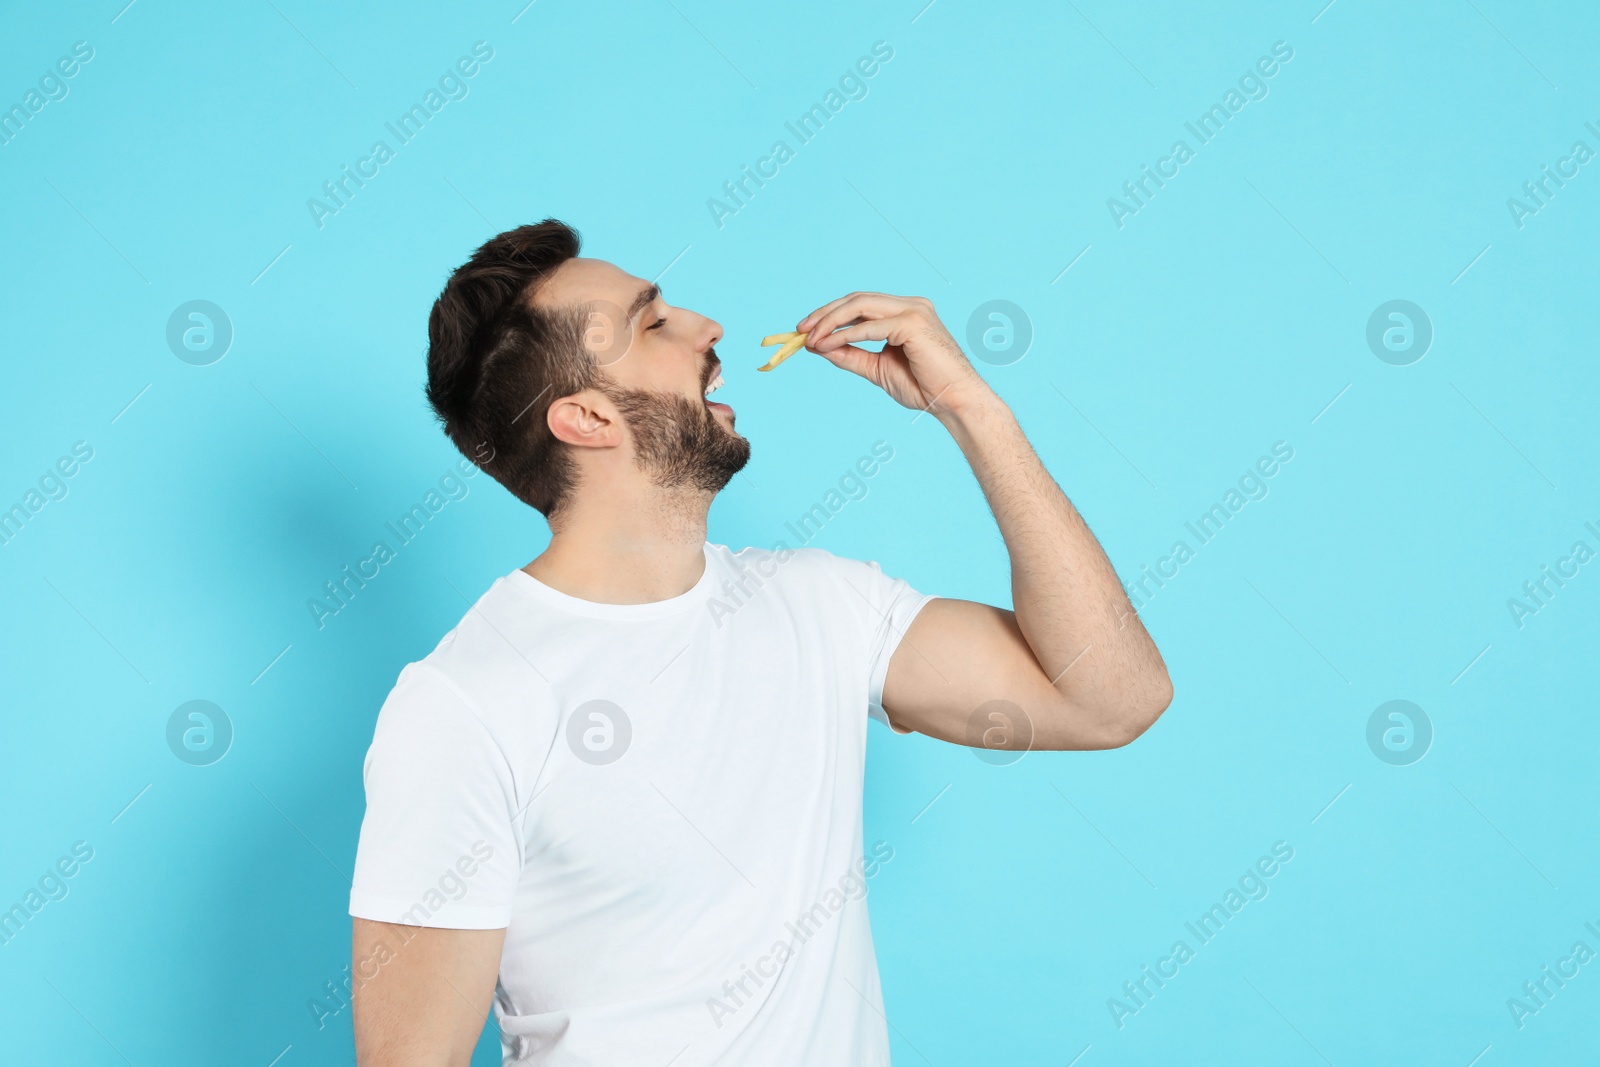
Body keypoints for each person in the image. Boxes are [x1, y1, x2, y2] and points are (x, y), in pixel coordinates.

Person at [347, 219, 1172, 1066]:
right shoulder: (465, 704)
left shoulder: (820, 604)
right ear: (588, 416)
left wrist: (969, 405)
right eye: (653, 322)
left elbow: (1112, 698)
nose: (708, 327)